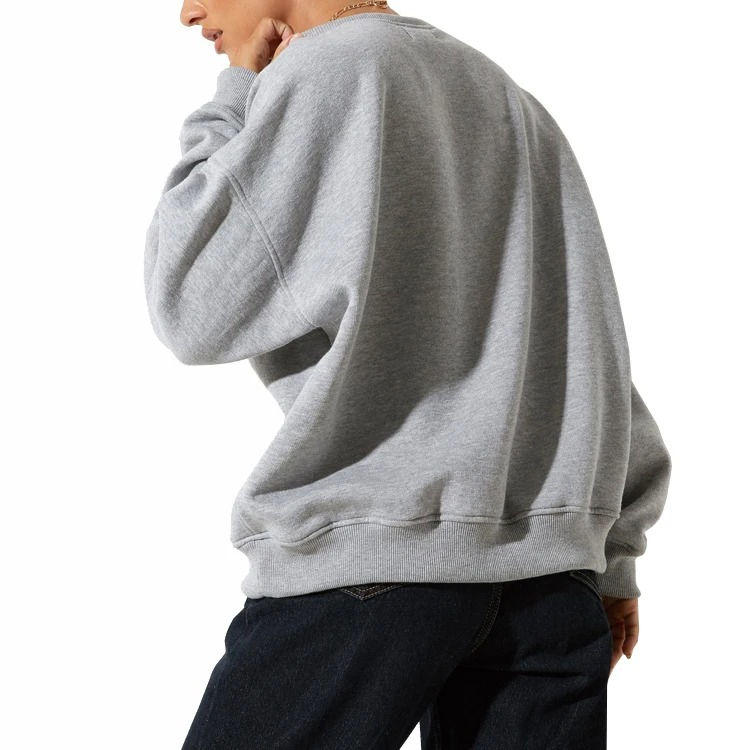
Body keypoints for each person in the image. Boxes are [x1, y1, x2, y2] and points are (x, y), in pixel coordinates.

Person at [143, 2, 672, 748]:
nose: (188, 10)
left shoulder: (331, 70)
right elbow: (585, 337)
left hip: (377, 567)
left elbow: (191, 300)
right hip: (549, 584)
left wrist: (237, 96)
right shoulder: (510, 99)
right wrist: (611, 555)